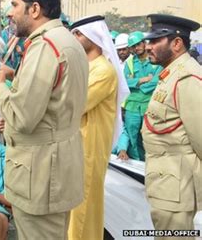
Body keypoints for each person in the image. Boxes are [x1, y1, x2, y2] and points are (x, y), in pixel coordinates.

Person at [0, 0, 88, 239]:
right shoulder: (66, 40)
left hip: (40, 176)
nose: (9, 12)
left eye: (15, 5)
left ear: (35, 9)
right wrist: (13, 77)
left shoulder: (45, 46)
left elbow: (23, 118)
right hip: (55, 170)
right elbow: (53, 101)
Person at [69, 15, 129, 240]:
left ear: (94, 37)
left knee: (82, 212)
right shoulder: (86, 67)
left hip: (89, 152)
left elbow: (74, 105)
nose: (74, 38)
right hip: (77, 150)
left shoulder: (103, 71)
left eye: (78, 34)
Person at [142, 14, 201, 233]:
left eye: (155, 41)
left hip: (177, 185)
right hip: (166, 182)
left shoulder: (187, 78)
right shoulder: (171, 74)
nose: (148, 47)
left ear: (176, 43)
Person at [116, 31, 163, 161]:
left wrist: (137, 85)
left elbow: (157, 80)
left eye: (138, 44)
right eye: (133, 46)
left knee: (150, 137)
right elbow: (124, 81)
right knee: (132, 136)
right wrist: (141, 80)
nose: (136, 48)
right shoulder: (130, 62)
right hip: (132, 106)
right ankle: (138, 162)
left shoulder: (155, 59)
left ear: (144, 43)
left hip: (149, 105)